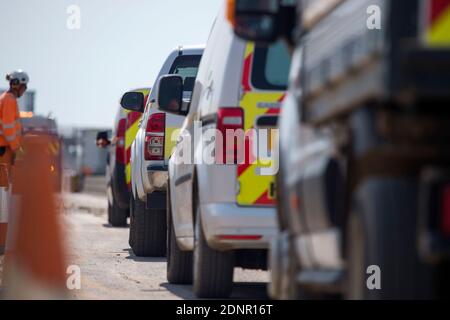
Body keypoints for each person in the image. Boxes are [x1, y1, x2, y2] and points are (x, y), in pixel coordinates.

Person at [0, 70, 28, 253]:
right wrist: (17, 148)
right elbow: (9, 128)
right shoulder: (9, 101)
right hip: (4, 152)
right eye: (25, 87)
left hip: (5, 150)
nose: (25, 90)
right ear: (19, 85)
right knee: (3, 192)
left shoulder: (7, 99)